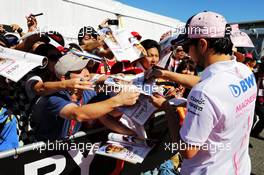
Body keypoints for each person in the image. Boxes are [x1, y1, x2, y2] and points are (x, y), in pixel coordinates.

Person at [147, 11, 257, 175]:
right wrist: (166, 74)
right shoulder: (244, 71)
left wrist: (167, 108)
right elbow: (212, 87)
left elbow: (188, 151)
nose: (187, 53)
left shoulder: (204, 92)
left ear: (203, 44)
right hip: (239, 167)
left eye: (186, 46)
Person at [31, 54, 140, 141]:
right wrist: (118, 100)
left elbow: (104, 116)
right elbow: (77, 114)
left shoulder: (89, 90)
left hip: (68, 147)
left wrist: (131, 134)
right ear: (65, 78)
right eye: (79, 71)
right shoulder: (55, 98)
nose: (86, 73)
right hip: (44, 151)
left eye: (86, 68)